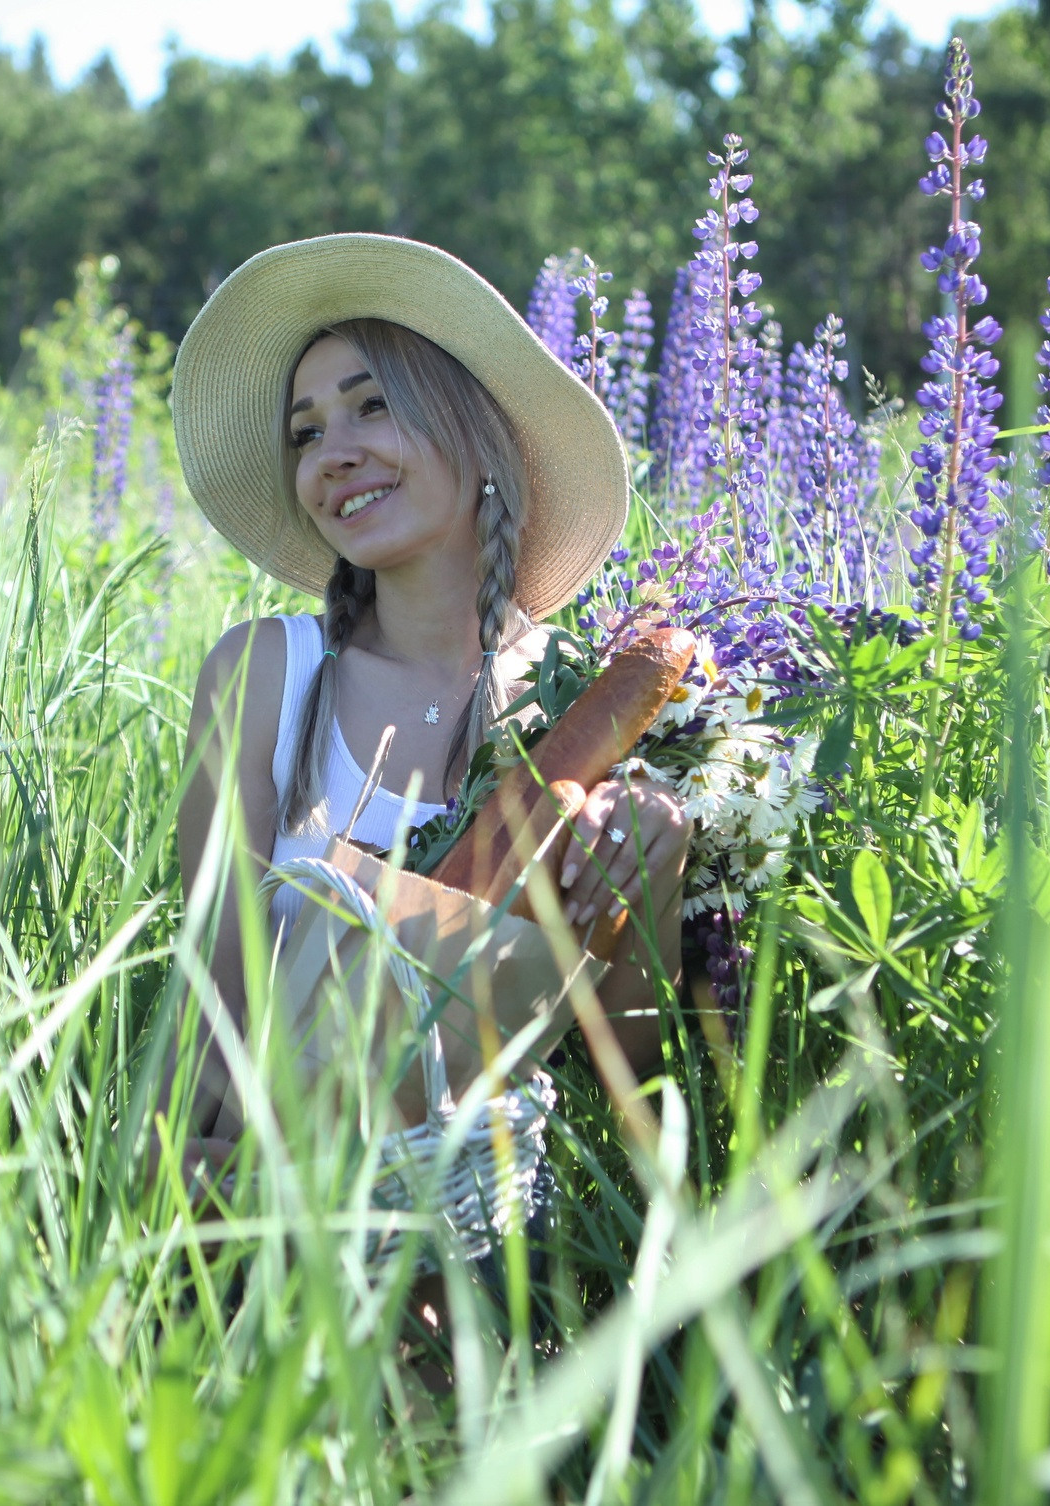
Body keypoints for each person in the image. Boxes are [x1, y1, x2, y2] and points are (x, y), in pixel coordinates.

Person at [162, 232, 690, 1193]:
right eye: (306, 432)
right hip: (267, 1214)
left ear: (472, 433)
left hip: (502, 1235)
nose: (334, 453)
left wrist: (651, 872)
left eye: (372, 405)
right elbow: (206, 1004)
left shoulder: (585, 705)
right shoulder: (265, 677)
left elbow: (631, 1085)